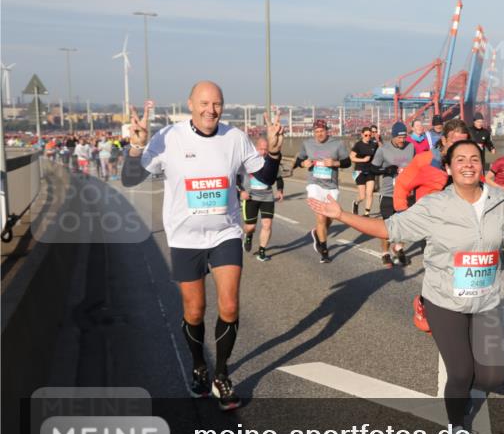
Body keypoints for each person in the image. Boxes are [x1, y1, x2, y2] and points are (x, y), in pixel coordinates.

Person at [308, 140, 504, 434]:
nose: (468, 164)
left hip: (485, 300)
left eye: (474, 159)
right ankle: (456, 427)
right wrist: (340, 214)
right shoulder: (435, 206)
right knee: (461, 372)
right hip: (444, 299)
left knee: (494, 376)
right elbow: (389, 229)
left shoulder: (499, 202)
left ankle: (461, 393)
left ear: (482, 166)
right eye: (460, 159)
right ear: (448, 168)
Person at [121, 81, 283, 410]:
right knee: (194, 310)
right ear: (191, 104)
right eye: (204, 103)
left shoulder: (235, 138)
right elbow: (130, 179)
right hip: (185, 239)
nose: (211, 109)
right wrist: (136, 148)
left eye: (218, 104)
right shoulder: (168, 138)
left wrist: (276, 151)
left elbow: (263, 178)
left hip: (224, 234)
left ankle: (221, 374)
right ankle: (198, 365)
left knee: (230, 306)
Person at [393, 118, 472, 331]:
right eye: (455, 141)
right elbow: (402, 185)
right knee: (439, 270)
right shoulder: (424, 160)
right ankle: (426, 305)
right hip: (430, 227)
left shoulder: (470, 162)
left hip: (460, 226)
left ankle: (440, 307)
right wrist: (402, 214)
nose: (459, 146)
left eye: (464, 142)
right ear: (444, 140)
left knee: (459, 271)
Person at [292, 119, 350, 264]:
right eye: (316, 132)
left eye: (322, 131)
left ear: (327, 130)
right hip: (314, 184)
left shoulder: (338, 144)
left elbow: (347, 162)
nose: (319, 134)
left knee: (331, 217)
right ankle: (324, 250)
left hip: (331, 185)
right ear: (314, 132)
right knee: (321, 217)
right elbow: (298, 160)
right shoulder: (307, 144)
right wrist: (302, 163)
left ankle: (318, 234)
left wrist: (335, 163)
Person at [371, 121, 415, 267]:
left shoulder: (411, 147)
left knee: (402, 224)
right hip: (389, 193)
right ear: (393, 136)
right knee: (387, 227)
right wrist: (386, 171)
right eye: (399, 138)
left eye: (404, 137)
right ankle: (385, 253)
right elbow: (372, 169)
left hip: (405, 193)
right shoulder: (383, 150)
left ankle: (399, 248)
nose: (402, 141)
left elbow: (415, 166)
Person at [239, 137, 284, 262]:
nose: (263, 152)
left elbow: (279, 177)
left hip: (267, 196)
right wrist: (241, 191)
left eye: (266, 149)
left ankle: (262, 251)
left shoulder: (270, 162)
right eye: (261, 149)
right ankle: (248, 235)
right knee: (250, 227)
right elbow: (236, 177)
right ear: (255, 148)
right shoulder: (247, 161)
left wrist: (280, 190)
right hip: (251, 197)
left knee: (267, 224)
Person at [350, 126, 379, 216]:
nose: (368, 137)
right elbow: (352, 157)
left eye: (370, 135)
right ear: (362, 135)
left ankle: (367, 213)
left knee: (370, 193)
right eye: (366, 135)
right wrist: (363, 160)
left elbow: (381, 151)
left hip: (370, 171)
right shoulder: (358, 145)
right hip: (359, 171)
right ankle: (356, 202)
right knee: (362, 196)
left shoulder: (374, 144)